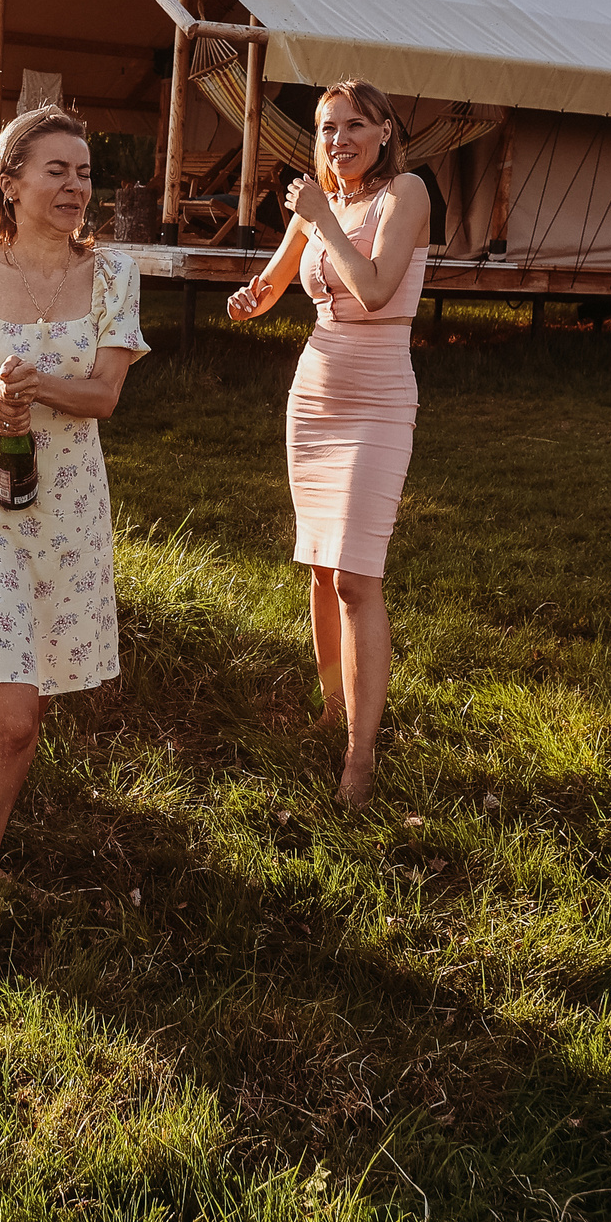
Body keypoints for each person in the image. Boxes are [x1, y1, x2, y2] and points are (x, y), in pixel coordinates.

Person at [0, 107, 149, 990]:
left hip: (72, 508)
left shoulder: (112, 273)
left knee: (33, 715)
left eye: (85, 172)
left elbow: (104, 396)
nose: (76, 186)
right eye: (57, 170)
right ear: (9, 180)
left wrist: (35, 384)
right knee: (6, 712)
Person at [225, 80, 431, 808]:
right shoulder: (322, 203)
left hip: (378, 397)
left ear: (382, 131)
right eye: (325, 127)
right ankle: (331, 709)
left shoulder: (405, 193)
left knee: (355, 576)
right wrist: (252, 295)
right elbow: (281, 279)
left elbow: (374, 289)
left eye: (352, 126)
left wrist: (321, 218)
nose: (337, 139)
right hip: (315, 393)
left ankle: (361, 757)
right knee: (319, 567)